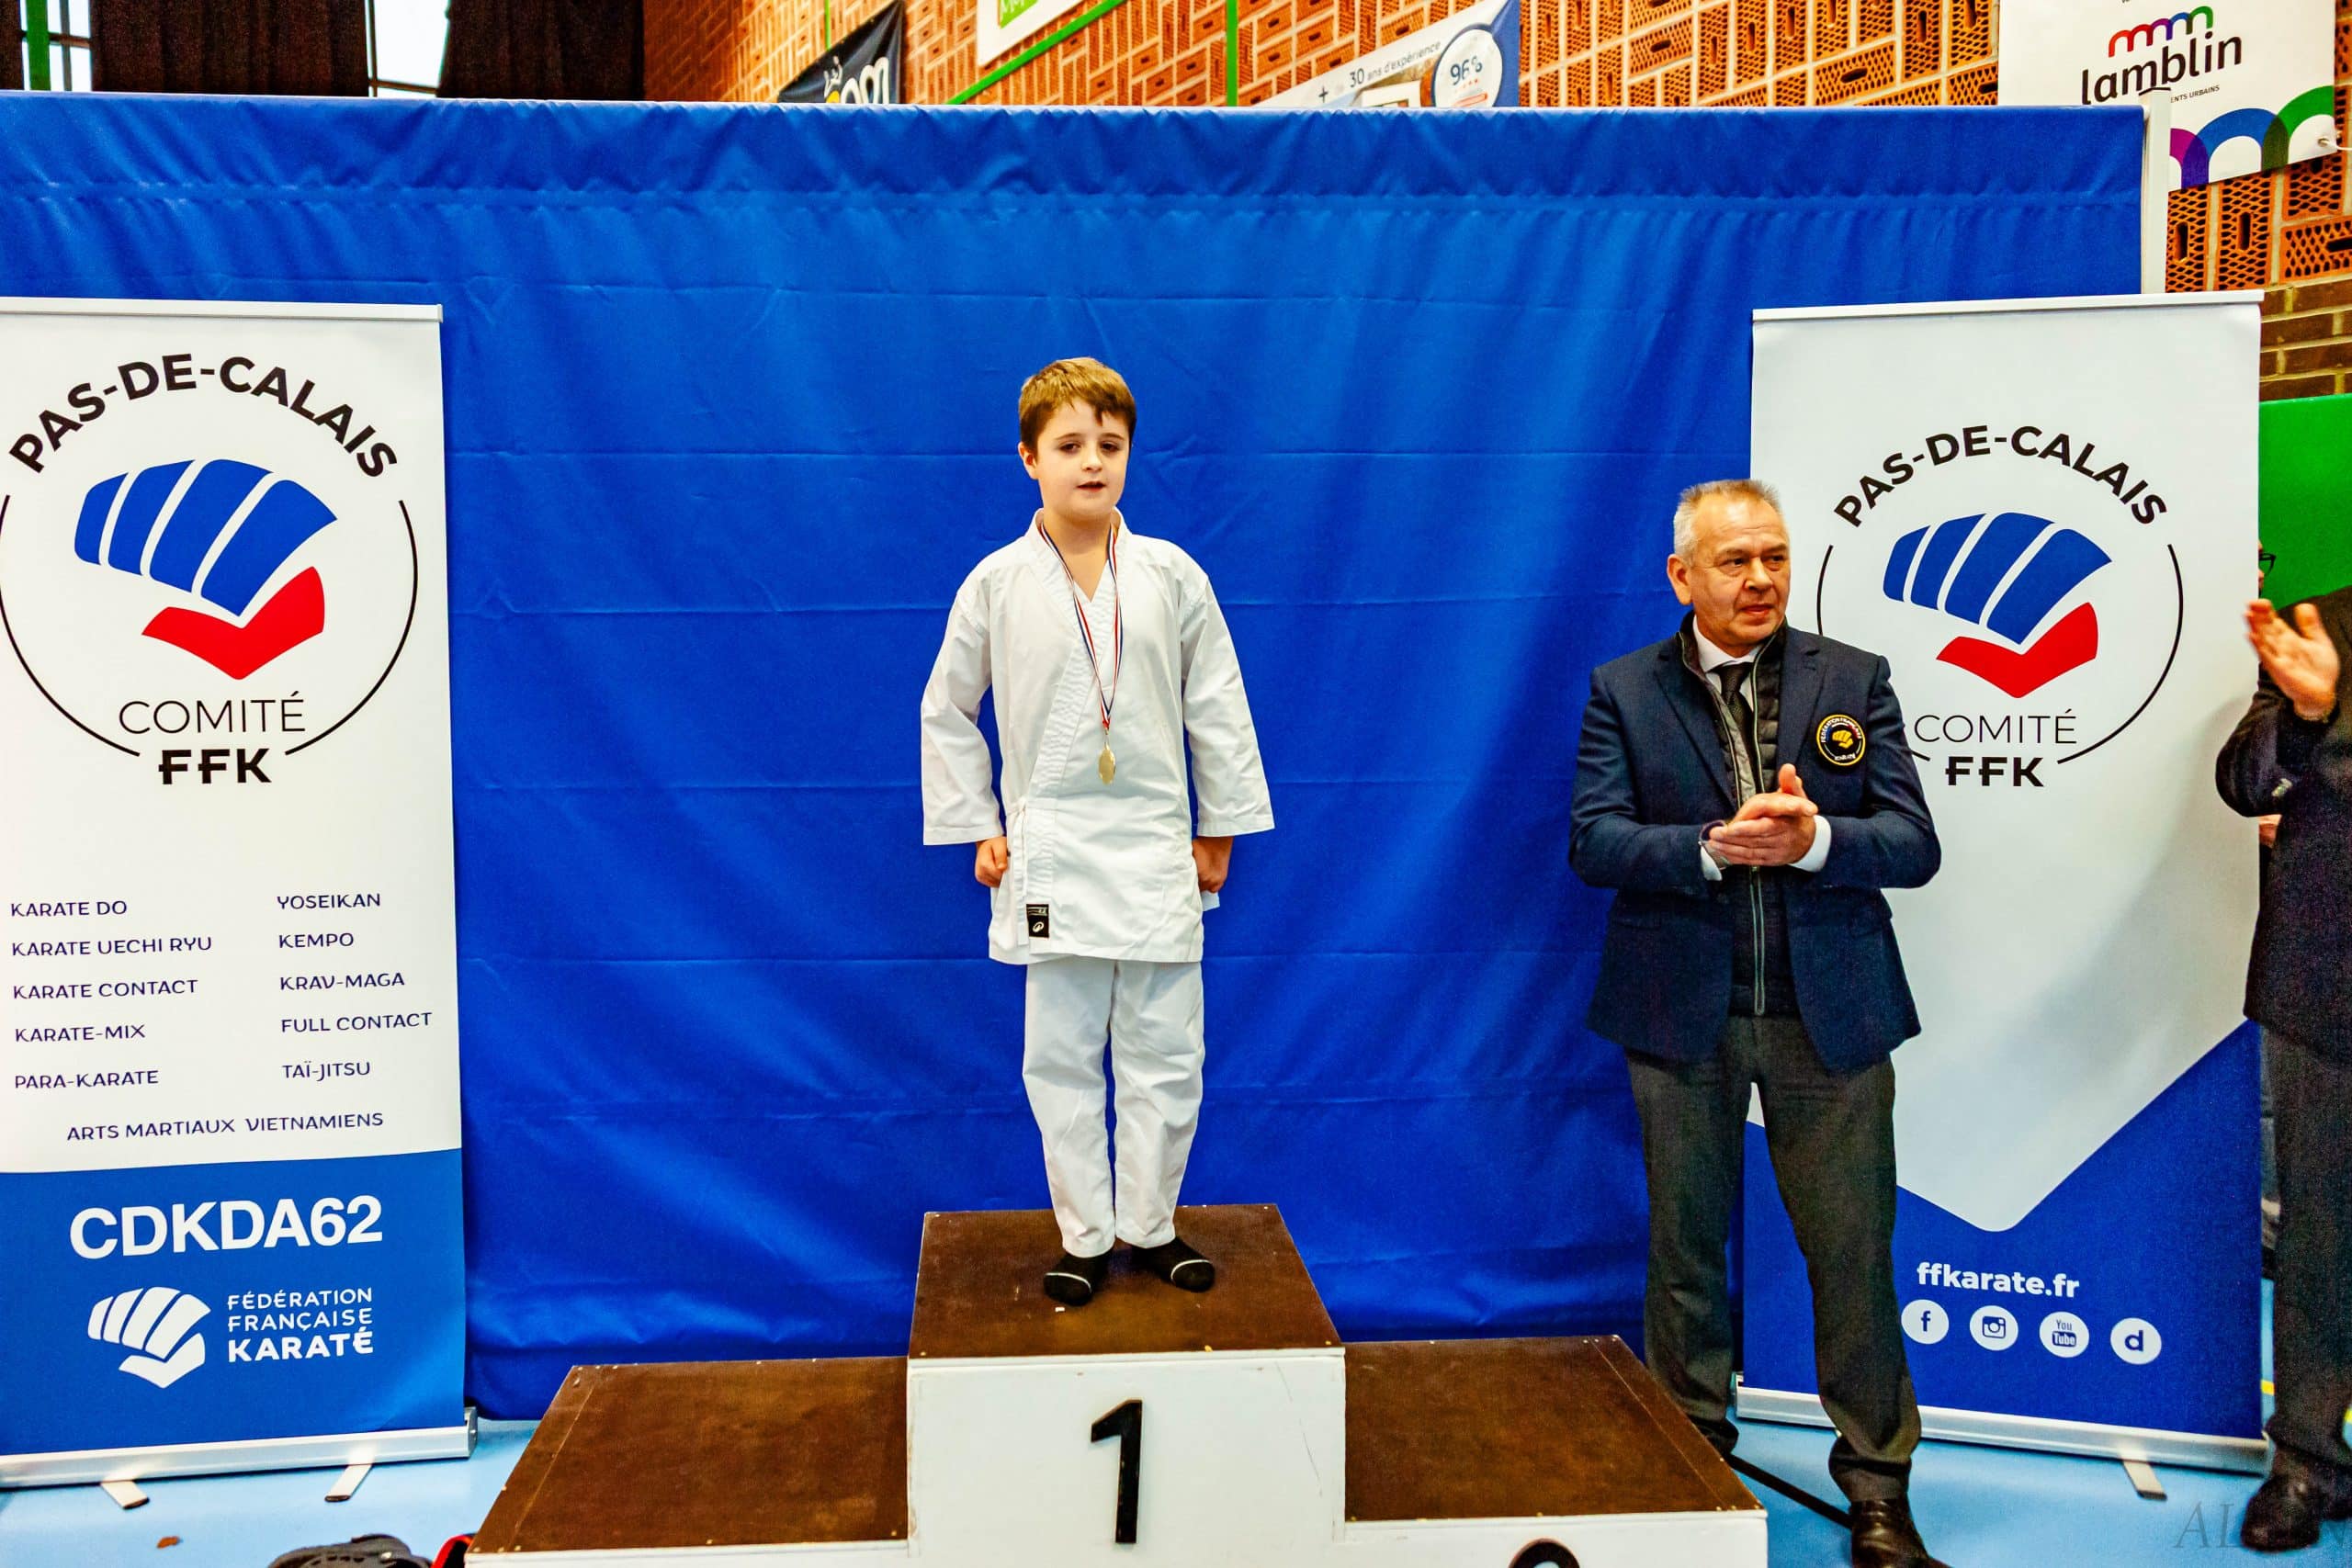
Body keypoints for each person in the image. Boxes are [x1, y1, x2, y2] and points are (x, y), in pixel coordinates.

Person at [1568, 479, 1943, 1568]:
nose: (1760, 578)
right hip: (1679, 1015)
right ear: (1681, 576)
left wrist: (1813, 842)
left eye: (1774, 556)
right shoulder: (1621, 689)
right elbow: (1593, 841)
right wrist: (1709, 848)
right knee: (1683, 1256)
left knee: (1852, 1257)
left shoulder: (1852, 678)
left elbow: (1912, 844)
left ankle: (1877, 1489)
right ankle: (1691, 1465)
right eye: (1734, 561)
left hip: (1829, 1020)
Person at [920, 356, 1273, 1306]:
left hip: (1156, 841)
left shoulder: (1171, 575)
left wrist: (1221, 828)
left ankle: (1150, 1224)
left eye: (1109, 445)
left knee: (1167, 1049)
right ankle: (1082, 1234)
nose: (1091, 462)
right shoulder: (997, 582)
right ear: (1028, 458)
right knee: (1063, 1055)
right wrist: (978, 824)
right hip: (1051, 851)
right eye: (1069, 445)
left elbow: (1217, 703)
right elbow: (947, 709)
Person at [2217, 583, 2352, 1554]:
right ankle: (2307, 1460)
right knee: (2322, 1235)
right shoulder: (2323, 625)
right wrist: (2308, 714)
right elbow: (2242, 781)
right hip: (2328, 984)